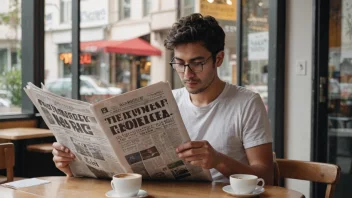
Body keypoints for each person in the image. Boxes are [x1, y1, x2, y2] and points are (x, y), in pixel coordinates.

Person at [52, 13, 273, 184]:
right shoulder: (169, 101)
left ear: (219, 59)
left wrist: (218, 160)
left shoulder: (246, 103)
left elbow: (266, 176)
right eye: (179, 63)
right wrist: (71, 165)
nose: (187, 73)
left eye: (197, 63)